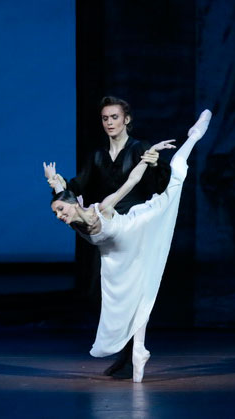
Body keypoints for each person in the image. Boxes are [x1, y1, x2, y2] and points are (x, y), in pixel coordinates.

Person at [44, 109, 212, 383]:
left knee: (176, 177)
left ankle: (193, 137)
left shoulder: (101, 207)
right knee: (130, 298)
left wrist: (150, 155)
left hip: (139, 226)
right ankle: (137, 350)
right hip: (116, 257)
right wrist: (55, 185)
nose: (59, 216)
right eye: (57, 214)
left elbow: (131, 181)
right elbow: (66, 197)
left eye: (61, 210)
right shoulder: (77, 221)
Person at [52, 96, 171, 378]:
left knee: (136, 289)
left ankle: (131, 353)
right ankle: (125, 349)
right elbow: (77, 185)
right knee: (100, 290)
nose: (110, 123)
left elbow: (157, 185)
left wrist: (155, 165)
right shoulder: (97, 155)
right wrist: (57, 184)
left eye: (115, 117)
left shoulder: (140, 148)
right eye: (105, 118)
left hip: (136, 225)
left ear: (126, 119)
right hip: (109, 226)